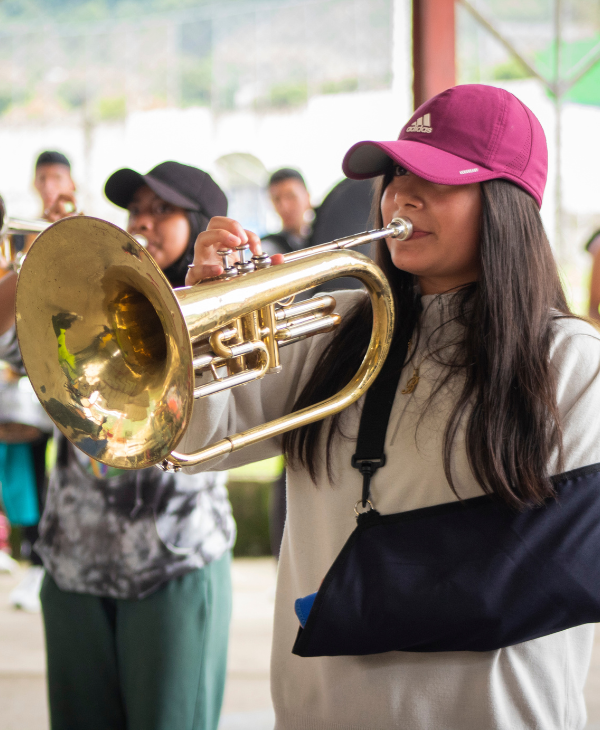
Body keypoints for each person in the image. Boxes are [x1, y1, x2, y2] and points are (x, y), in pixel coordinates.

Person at [184, 84, 600, 730]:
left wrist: (357, 599)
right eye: (399, 171)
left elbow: (559, 564)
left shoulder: (572, 362)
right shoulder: (334, 328)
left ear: (506, 203)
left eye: (437, 177)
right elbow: (191, 443)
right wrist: (204, 325)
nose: (402, 194)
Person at [0, 161, 235, 730]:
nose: (144, 223)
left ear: (201, 221)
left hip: (175, 565)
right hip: (74, 564)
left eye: (163, 211)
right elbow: (9, 337)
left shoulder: (226, 297)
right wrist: (46, 258)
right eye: (137, 211)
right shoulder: (90, 301)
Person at [261, 167, 313, 256]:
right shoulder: (268, 249)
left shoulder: (328, 234)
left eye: (291, 196)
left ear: (307, 198)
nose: (284, 207)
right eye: (277, 199)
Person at [33, 150, 77, 221]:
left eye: (57, 178)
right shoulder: (22, 230)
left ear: (72, 184)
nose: (48, 187)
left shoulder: (92, 226)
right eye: (42, 178)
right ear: (34, 183)